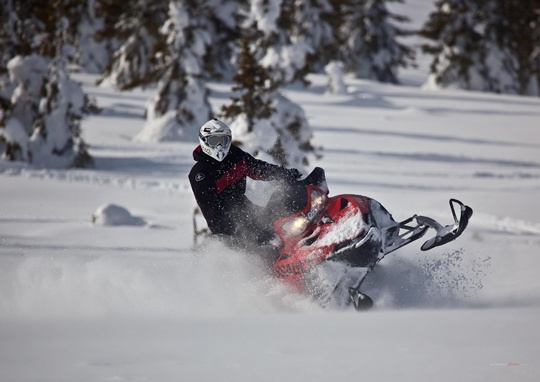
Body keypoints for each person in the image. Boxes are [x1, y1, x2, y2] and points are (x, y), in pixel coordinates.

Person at [189, 118, 302, 247]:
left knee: (281, 220)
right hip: (227, 227)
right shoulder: (200, 174)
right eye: (214, 141)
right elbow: (212, 212)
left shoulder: (235, 156)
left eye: (223, 140)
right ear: (204, 142)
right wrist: (246, 234)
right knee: (265, 245)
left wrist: (283, 174)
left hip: (246, 210)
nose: (219, 146)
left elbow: (258, 168)